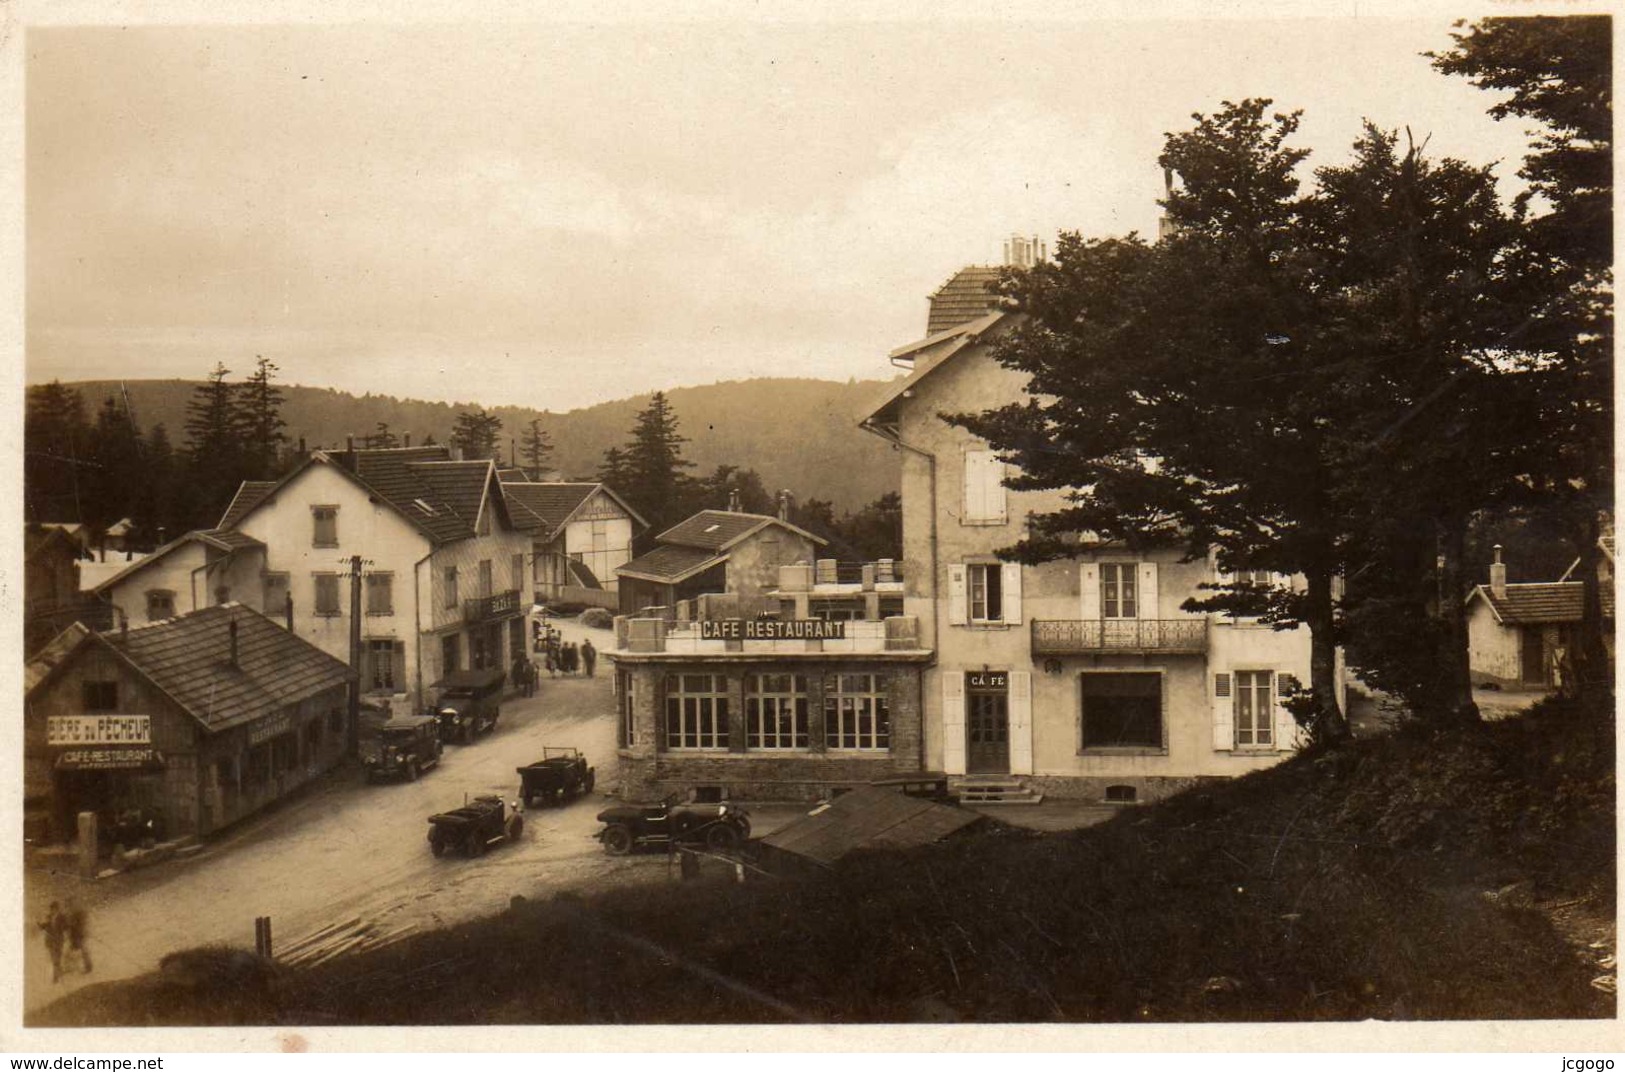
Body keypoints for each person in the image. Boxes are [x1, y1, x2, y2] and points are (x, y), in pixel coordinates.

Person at [39, 901, 65, 983]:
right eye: (51, 909)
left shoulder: (62, 917)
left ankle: (57, 975)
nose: (52, 910)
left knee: (57, 959)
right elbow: (44, 926)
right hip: (50, 942)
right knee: (54, 960)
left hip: (59, 941)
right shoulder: (48, 917)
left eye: (54, 909)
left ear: (57, 909)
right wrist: (40, 925)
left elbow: (66, 927)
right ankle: (57, 976)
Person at [64, 898, 91, 975]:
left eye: (69, 905)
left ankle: (88, 967)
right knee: (71, 952)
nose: (68, 907)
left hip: (79, 935)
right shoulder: (70, 914)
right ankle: (69, 968)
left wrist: (77, 927)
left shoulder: (78, 913)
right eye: (67, 906)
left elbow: (82, 924)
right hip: (74, 936)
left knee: (83, 951)